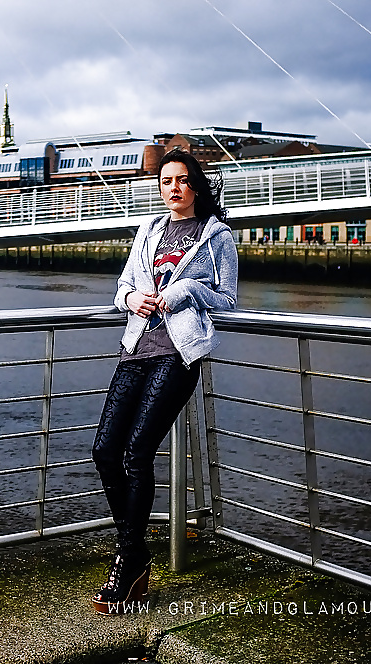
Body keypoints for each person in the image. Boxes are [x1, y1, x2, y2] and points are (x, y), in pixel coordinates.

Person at [91, 148, 238, 614]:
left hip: (177, 356)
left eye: (181, 180)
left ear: (196, 185)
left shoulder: (216, 236)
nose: (173, 188)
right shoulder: (149, 230)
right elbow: (120, 287)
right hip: (136, 350)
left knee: (137, 452)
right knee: (104, 451)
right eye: (165, 181)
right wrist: (133, 297)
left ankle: (128, 563)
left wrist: (182, 292)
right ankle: (133, 552)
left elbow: (228, 299)